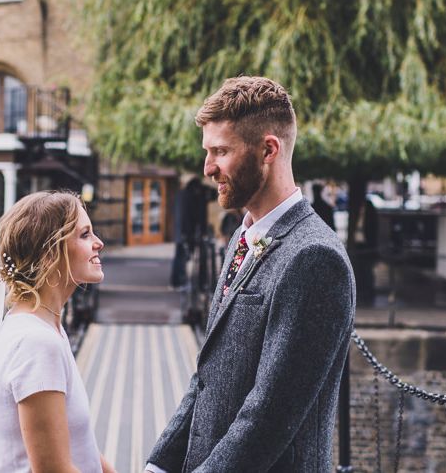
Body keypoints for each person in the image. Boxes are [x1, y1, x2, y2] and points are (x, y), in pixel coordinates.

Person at [146, 76, 356, 472]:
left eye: (220, 151)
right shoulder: (243, 236)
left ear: (268, 150)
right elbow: (208, 378)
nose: (208, 167)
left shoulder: (315, 258)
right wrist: (158, 465)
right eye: (208, 151)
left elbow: (270, 414)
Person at [0, 191, 116, 473]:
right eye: (85, 235)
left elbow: (82, 445)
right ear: (50, 254)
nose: (98, 243)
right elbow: (53, 469)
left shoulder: (44, 329)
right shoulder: (36, 343)